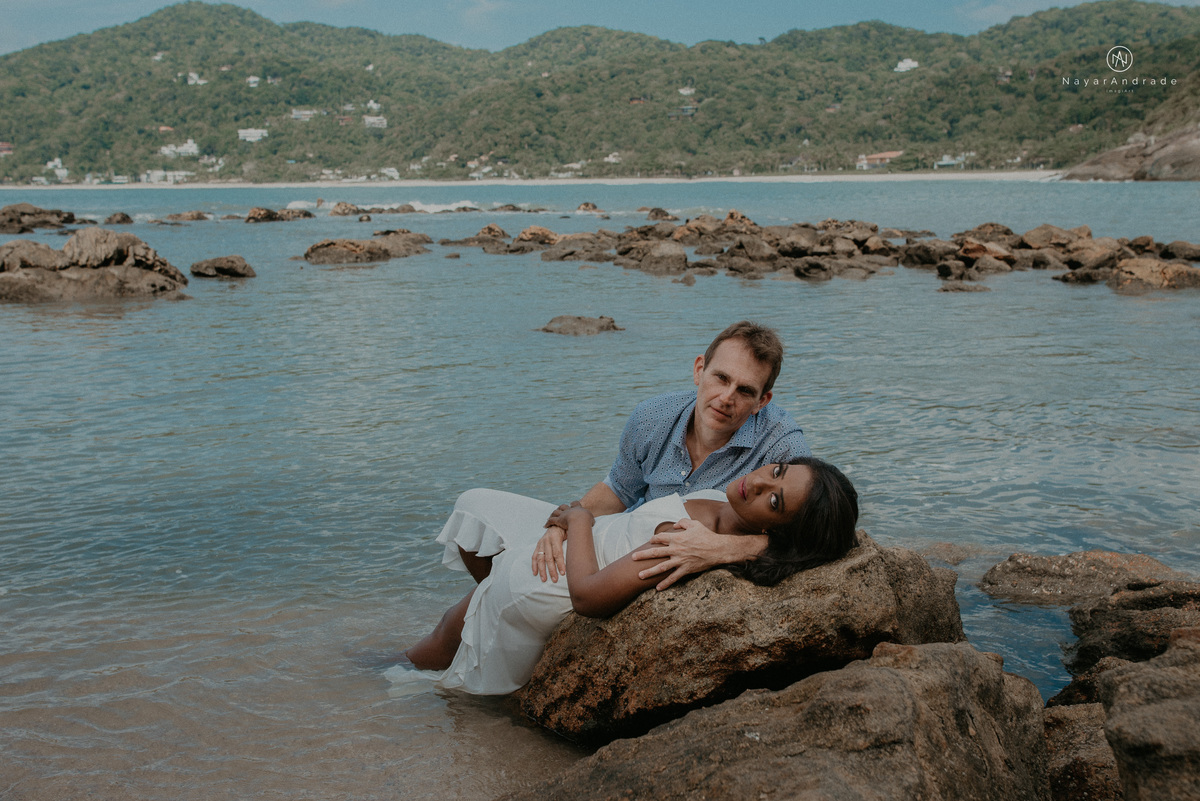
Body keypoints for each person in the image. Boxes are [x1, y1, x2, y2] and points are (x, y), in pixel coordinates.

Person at [391, 457, 858, 695]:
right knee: (452, 614)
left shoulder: (682, 539)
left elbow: (589, 597)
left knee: (443, 639)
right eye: (776, 470)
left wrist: (578, 523)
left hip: (550, 581)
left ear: (774, 530)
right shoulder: (727, 506)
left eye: (773, 502)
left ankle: (366, 680)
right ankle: (377, 672)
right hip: (574, 550)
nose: (757, 483)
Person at [533, 321, 810, 590]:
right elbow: (618, 489)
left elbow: (817, 534)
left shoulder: (781, 447)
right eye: (721, 378)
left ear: (761, 401)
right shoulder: (650, 417)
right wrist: (563, 524)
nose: (726, 397)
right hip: (623, 538)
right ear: (699, 370)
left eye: (745, 390)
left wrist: (724, 549)